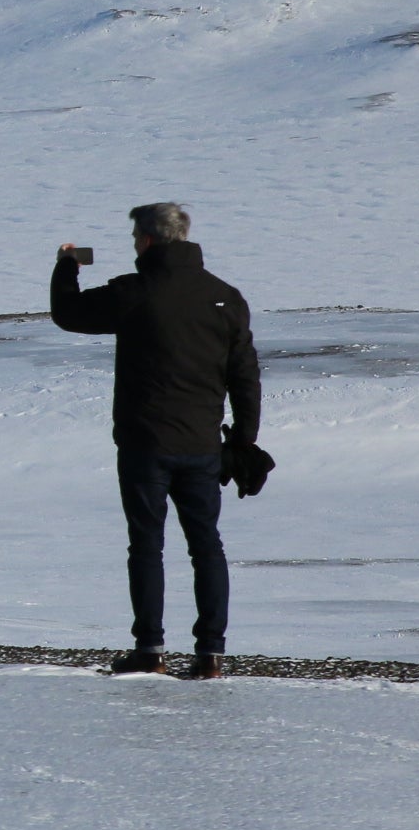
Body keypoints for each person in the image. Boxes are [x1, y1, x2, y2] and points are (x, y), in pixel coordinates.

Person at [51, 202, 263, 681]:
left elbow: (68, 314)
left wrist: (67, 265)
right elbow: (245, 375)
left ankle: (150, 649)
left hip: (145, 443)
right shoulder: (225, 298)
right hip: (204, 446)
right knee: (206, 546)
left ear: (146, 240)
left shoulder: (135, 292)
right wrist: (243, 443)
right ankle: (210, 656)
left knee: (147, 546)